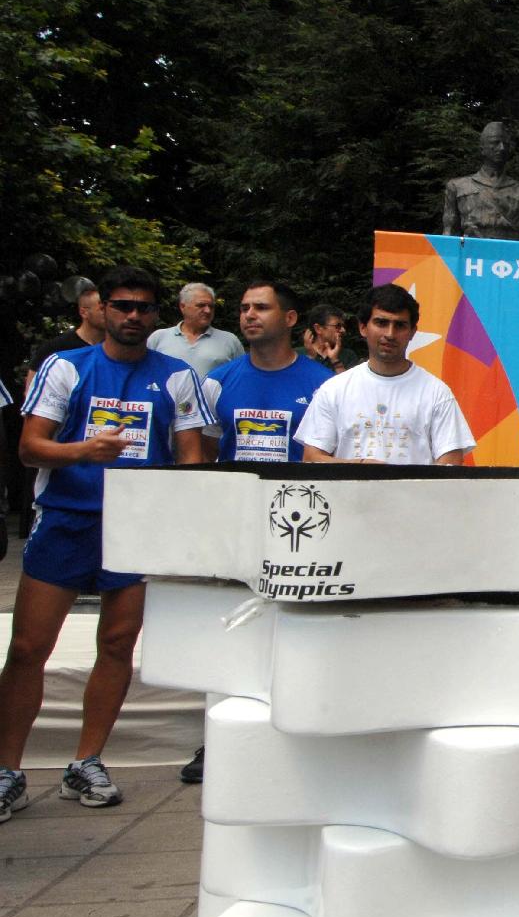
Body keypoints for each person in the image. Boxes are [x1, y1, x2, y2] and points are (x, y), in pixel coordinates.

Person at [0, 266, 211, 822]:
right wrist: (83, 453)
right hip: (69, 519)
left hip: (138, 528)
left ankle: (86, 761)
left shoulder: (176, 376)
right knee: (27, 649)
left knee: (117, 645)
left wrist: (180, 512)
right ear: (102, 310)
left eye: (143, 307)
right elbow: (29, 447)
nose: (132, 316)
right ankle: (8, 769)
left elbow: (191, 455)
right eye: (122, 306)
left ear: (156, 315)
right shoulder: (67, 366)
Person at [176, 280, 334, 785]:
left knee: (295, 629)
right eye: (243, 308)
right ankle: (217, 737)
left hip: (302, 528)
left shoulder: (324, 383)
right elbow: (198, 452)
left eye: (261, 308)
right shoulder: (219, 380)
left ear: (290, 319)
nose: (248, 315)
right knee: (228, 631)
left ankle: (295, 726)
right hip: (234, 528)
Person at [296, 285, 474, 465]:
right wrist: (362, 467)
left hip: (415, 494)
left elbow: (451, 463)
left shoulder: (437, 393)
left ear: (412, 331)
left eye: (400, 325)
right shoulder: (333, 389)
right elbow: (311, 459)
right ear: (363, 327)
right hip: (348, 494)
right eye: (381, 323)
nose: (390, 334)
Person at [442, 121, 519, 241]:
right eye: (495, 143)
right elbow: (449, 237)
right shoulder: (457, 187)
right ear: (482, 148)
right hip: (472, 256)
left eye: (505, 144)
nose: (501, 148)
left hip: (511, 257)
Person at [21, 279, 103, 402]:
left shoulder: (118, 349)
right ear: (84, 312)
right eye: (102, 309)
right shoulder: (55, 348)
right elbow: (31, 394)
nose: (109, 313)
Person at [147, 282, 245, 376]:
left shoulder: (229, 341)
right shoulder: (159, 338)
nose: (207, 310)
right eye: (201, 305)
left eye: (211, 306)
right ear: (182, 306)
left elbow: (242, 377)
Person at [299, 305, 359, 375]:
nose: (343, 330)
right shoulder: (297, 354)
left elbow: (349, 385)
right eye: (338, 326)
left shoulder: (348, 355)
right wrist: (311, 357)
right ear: (318, 328)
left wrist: (335, 361)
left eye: (343, 326)